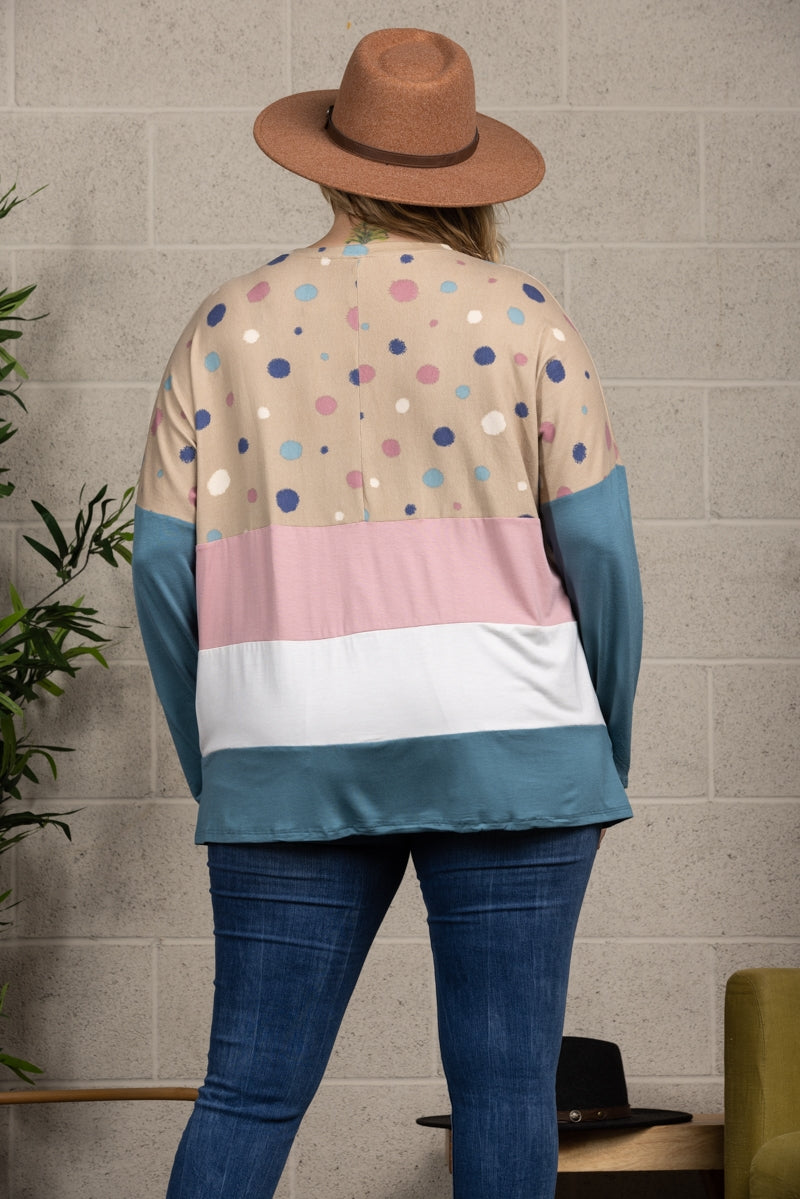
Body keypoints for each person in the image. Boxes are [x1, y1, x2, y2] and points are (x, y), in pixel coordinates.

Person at [132, 27, 642, 1199]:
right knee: (506, 1093)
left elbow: (160, 567)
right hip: (516, 744)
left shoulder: (225, 326)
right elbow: (601, 555)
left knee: (248, 1090)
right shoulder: (528, 320)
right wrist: (601, 741)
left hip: (284, 744)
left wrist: (222, 752)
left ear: (328, 166)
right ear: (468, 176)